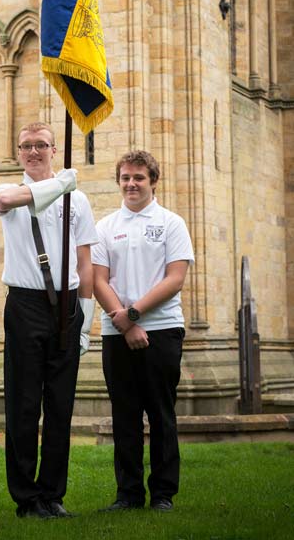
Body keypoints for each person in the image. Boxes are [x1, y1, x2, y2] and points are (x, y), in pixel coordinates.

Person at [0, 122, 97, 519]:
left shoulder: (79, 202)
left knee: (60, 405)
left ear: (55, 149)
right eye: (26, 146)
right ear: (19, 152)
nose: (34, 152)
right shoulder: (5, 192)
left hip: (66, 307)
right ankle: (25, 497)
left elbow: (85, 263)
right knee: (22, 404)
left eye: (42, 145)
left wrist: (85, 323)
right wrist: (62, 184)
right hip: (24, 306)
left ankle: (52, 495)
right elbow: (12, 200)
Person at [92, 150, 194, 513]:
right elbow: (97, 279)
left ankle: (163, 494)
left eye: (139, 177)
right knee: (125, 414)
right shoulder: (104, 226)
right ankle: (128, 495)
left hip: (162, 329)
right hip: (115, 330)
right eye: (125, 178)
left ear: (153, 180)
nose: (131, 184)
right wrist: (123, 322)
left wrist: (134, 314)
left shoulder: (171, 223)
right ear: (118, 181)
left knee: (161, 413)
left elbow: (176, 277)